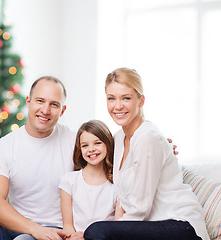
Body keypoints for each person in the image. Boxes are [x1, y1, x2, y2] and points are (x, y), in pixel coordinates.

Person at [83, 68, 209, 240]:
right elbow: (122, 197)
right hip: (150, 225)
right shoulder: (118, 138)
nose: (117, 106)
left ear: (141, 101)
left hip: (181, 225)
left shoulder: (147, 137)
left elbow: (139, 208)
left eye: (126, 98)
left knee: (96, 232)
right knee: (98, 231)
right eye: (111, 98)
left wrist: (110, 231)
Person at [0, 76, 76, 240]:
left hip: (56, 231)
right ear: (28, 101)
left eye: (54, 104)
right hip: (16, 225)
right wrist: (34, 229)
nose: (45, 110)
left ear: (62, 110)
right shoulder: (4, 146)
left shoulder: (75, 142)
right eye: (40, 101)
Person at [59, 120, 120, 240]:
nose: (91, 149)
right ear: (79, 149)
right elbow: (67, 226)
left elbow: (117, 228)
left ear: (108, 144)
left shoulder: (117, 184)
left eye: (97, 143)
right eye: (85, 145)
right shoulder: (69, 181)